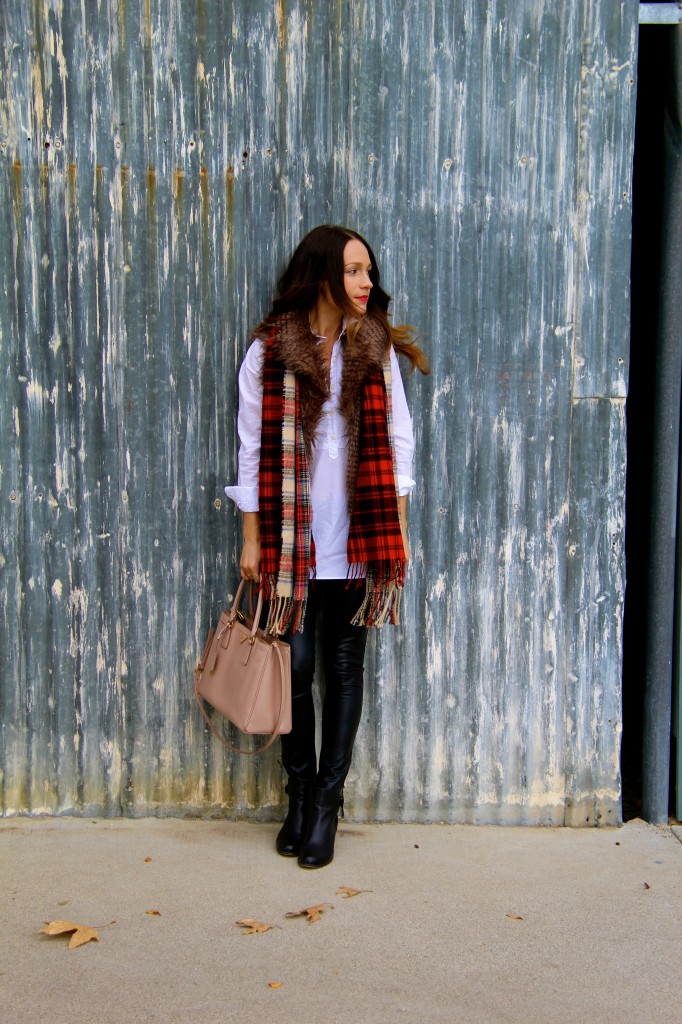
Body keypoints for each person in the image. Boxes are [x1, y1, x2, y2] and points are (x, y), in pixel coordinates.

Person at [225, 224, 428, 868]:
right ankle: (299, 792)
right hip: (294, 537)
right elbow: (253, 449)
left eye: (369, 270)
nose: (367, 282)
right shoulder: (270, 353)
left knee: (344, 668)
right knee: (299, 666)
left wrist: (393, 531)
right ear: (323, 277)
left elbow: (399, 444)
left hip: (359, 531)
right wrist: (253, 538)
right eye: (355, 270)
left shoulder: (375, 349)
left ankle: (326, 807)